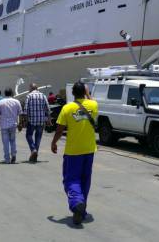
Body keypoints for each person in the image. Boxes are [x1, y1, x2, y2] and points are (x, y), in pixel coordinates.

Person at [51, 82, 98, 225]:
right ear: (84, 92)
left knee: (71, 180)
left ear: (72, 93)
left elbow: (59, 130)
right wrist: (87, 92)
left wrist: (54, 142)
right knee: (85, 179)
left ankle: (77, 203)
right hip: (89, 150)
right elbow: (91, 100)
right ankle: (81, 210)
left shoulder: (67, 108)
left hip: (73, 151)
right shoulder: (93, 105)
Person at [24, 84, 51, 162]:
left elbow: (25, 110)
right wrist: (49, 120)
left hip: (31, 120)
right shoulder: (43, 96)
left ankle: (33, 150)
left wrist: (25, 121)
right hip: (41, 121)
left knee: (28, 135)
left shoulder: (29, 96)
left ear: (31, 88)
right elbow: (48, 109)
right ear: (37, 88)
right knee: (38, 137)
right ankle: (35, 155)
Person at [0, 88, 22, 163]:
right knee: (13, 141)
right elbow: (20, 113)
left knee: (5, 142)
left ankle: (7, 159)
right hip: (13, 125)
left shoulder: (1, 102)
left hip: (4, 125)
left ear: (5, 93)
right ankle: (13, 155)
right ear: (12, 93)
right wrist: (20, 124)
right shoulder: (17, 101)